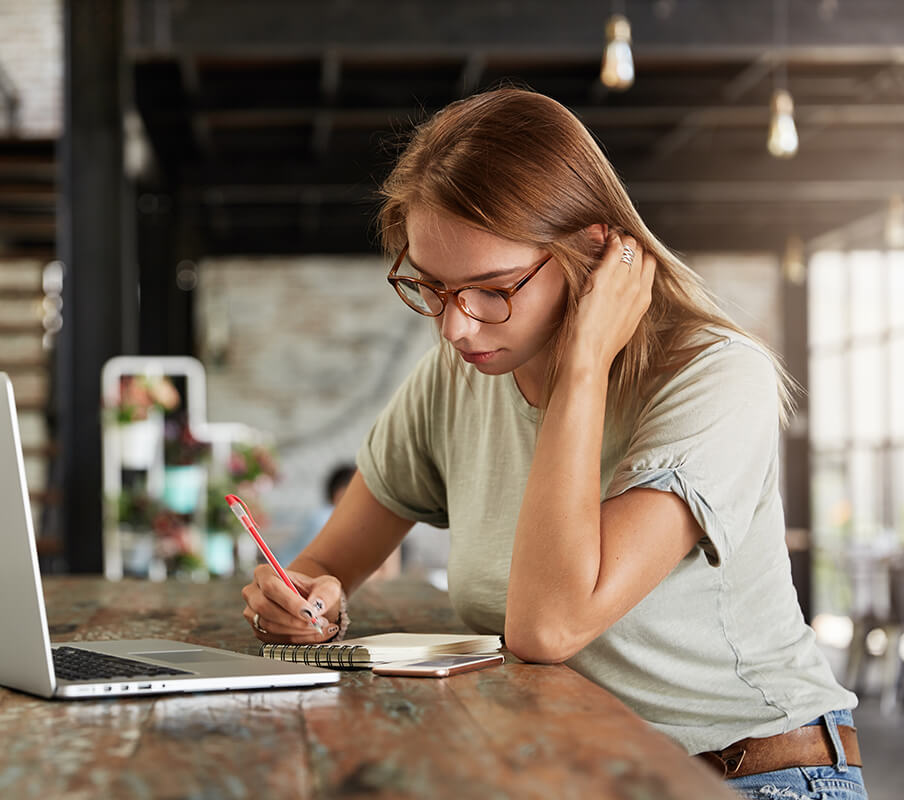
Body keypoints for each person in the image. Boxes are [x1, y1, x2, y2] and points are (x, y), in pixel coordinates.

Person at [240, 87, 865, 796]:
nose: (456, 328)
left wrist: (584, 364)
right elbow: (327, 563)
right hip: (582, 773)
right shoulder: (455, 377)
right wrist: (300, 602)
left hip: (756, 775)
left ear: (594, 252)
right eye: (432, 287)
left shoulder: (717, 379)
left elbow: (550, 626)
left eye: (493, 288)